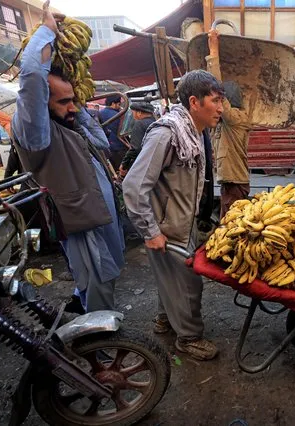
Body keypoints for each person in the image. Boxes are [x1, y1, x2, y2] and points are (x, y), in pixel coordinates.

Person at [11, 2, 125, 312]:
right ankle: (99, 352)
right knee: (98, 288)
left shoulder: (72, 123)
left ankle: (93, 336)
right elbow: (33, 76)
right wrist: (47, 30)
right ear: (41, 105)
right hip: (83, 227)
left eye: (72, 99)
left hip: (100, 219)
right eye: (63, 102)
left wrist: (75, 105)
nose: (71, 107)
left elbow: (99, 140)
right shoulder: (36, 133)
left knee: (105, 281)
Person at [123, 70, 223, 361]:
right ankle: (189, 338)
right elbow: (133, 185)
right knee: (189, 285)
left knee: (171, 279)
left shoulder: (194, 131)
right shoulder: (167, 133)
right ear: (194, 101)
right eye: (215, 101)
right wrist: (151, 231)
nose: (220, 108)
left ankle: (165, 319)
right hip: (166, 229)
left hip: (183, 224)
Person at [206, 29, 253, 218]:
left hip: (236, 183)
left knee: (232, 223)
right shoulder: (225, 124)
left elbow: (216, 87)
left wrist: (214, 51)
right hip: (230, 181)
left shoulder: (236, 119)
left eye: (220, 101)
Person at [119, 101, 156, 178]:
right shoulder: (155, 122)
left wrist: (124, 165)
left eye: (133, 112)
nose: (132, 115)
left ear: (139, 113)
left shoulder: (139, 124)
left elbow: (135, 148)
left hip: (143, 165)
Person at [99, 95, 127, 169]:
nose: (119, 106)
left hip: (106, 147)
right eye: (119, 104)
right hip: (119, 147)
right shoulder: (119, 115)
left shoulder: (99, 113)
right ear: (113, 103)